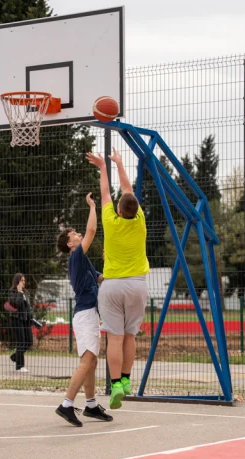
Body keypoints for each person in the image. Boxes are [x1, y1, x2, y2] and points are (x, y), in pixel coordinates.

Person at [86, 149, 149, 410]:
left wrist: (103, 167)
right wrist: (120, 164)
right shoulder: (140, 221)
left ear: (119, 210)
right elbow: (127, 190)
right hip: (137, 284)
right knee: (130, 336)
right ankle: (125, 380)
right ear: (135, 210)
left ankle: (114, 386)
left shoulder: (111, 221)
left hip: (111, 285)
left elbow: (105, 194)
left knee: (115, 338)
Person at [54, 192, 113, 426]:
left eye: (78, 233)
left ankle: (90, 405)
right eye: (74, 235)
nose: (79, 234)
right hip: (85, 314)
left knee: (92, 361)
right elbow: (92, 230)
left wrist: (119, 272)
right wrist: (92, 207)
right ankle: (66, 404)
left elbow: (101, 278)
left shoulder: (83, 261)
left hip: (88, 314)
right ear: (70, 244)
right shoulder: (76, 257)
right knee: (87, 361)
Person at [7, 273, 34, 372]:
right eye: (22, 280)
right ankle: (20, 366)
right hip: (16, 319)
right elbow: (16, 304)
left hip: (25, 320)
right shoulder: (12, 292)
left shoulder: (26, 292)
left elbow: (28, 307)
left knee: (29, 342)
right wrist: (19, 292)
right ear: (17, 281)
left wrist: (31, 317)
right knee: (21, 342)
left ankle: (15, 356)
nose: (23, 282)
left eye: (24, 280)